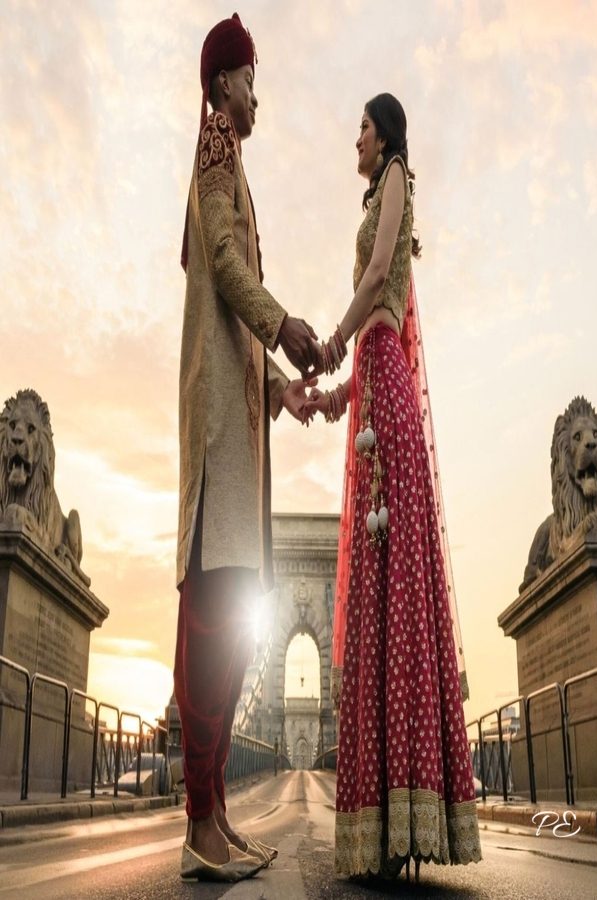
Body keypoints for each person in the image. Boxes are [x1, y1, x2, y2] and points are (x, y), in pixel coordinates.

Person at [303, 93, 482, 881]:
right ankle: (384, 834)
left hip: (389, 410)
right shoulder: (382, 188)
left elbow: (378, 278)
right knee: (375, 602)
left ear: (388, 136)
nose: (358, 139)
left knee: (398, 595)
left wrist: (332, 341)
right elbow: (379, 330)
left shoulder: (400, 176)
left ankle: (406, 820)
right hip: (373, 400)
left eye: (364, 128)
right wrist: (328, 395)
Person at [174, 13, 320, 884]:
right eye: (252, 76)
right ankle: (200, 820)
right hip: (220, 434)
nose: (258, 92)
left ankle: (217, 818)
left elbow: (231, 317)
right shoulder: (217, 145)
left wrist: (279, 388)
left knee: (230, 628)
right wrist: (285, 323)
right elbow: (227, 270)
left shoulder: (232, 157)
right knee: (212, 623)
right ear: (225, 80)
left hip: (242, 418)